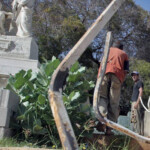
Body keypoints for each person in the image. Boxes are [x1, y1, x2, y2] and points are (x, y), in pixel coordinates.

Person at [97, 40, 129, 135]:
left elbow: (100, 63)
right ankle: (109, 129)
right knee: (114, 102)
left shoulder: (106, 50)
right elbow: (126, 70)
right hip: (117, 76)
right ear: (121, 48)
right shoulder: (124, 54)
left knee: (102, 97)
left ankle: (102, 119)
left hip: (104, 75)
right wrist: (120, 80)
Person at [131, 71, 144, 135]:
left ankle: (138, 133)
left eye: (135, 75)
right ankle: (135, 132)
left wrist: (137, 103)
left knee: (136, 118)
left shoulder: (139, 82)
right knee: (133, 118)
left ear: (138, 76)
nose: (133, 76)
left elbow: (141, 92)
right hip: (134, 102)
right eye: (132, 75)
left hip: (136, 102)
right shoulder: (135, 83)